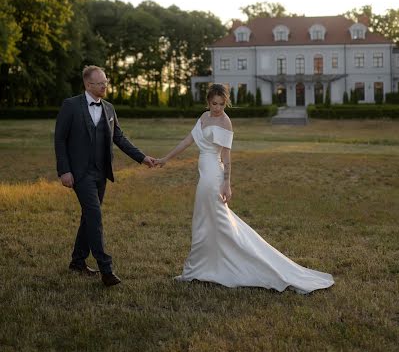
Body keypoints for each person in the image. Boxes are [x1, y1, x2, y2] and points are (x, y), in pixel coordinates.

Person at [156, 83, 334, 294]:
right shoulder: (204, 117)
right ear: (208, 101)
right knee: (203, 222)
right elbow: (188, 140)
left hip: (214, 176)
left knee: (219, 222)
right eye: (214, 103)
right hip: (204, 175)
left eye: (222, 104)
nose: (218, 108)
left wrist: (226, 183)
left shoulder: (225, 121)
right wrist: (165, 158)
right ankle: (198, 268)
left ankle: (241, 265)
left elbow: (226, 157)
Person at [54, 65, 155, 287]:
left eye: (106, 82)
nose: (105, 86)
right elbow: (60, 139)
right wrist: (64, 170)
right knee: (95, 216)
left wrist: (142, 157)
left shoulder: (109, 109)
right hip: (80, 173)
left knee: (88, 216)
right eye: (100, 83)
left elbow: (119, 138)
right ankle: (106, 269)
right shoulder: (71, 106)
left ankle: (77, 262)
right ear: (88, 85)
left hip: (101, 173)